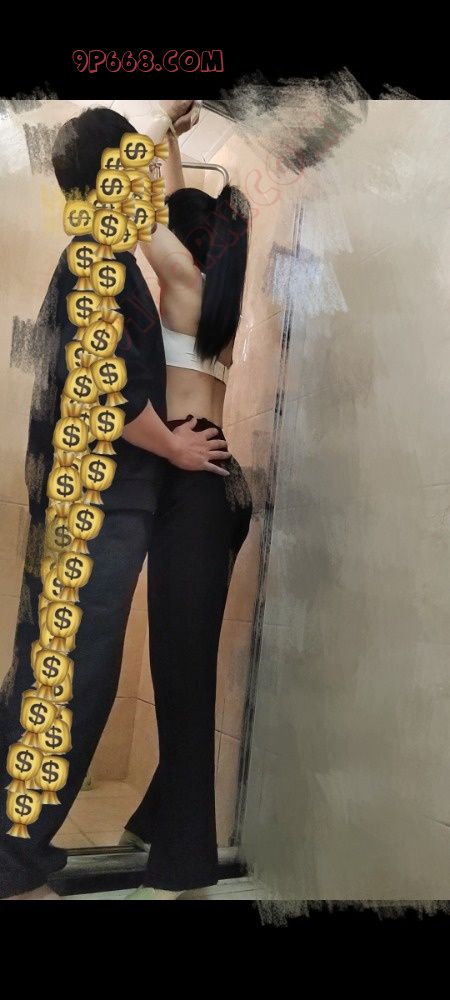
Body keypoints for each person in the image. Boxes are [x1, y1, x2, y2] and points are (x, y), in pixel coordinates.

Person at [0, 102, 232, 900]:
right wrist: (175, 447)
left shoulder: (106, 256)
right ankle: (11, 861)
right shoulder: (96, 259)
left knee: (60, 673)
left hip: (96, 503)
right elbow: (105, 384)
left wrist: (162, 136)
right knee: (70, 680)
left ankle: (13, 850)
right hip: (95, 506)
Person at [120, 112, 253, 899]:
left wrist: (157, 120)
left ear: (186, 247)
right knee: (183, 663)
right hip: (219, 480)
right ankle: (154, 817)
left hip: (194, 481)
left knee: (181, 674)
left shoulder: (182, 287)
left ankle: (185, 872)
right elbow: (171, 210)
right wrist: (173, 150)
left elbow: (138, 207)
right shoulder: (215, 299)